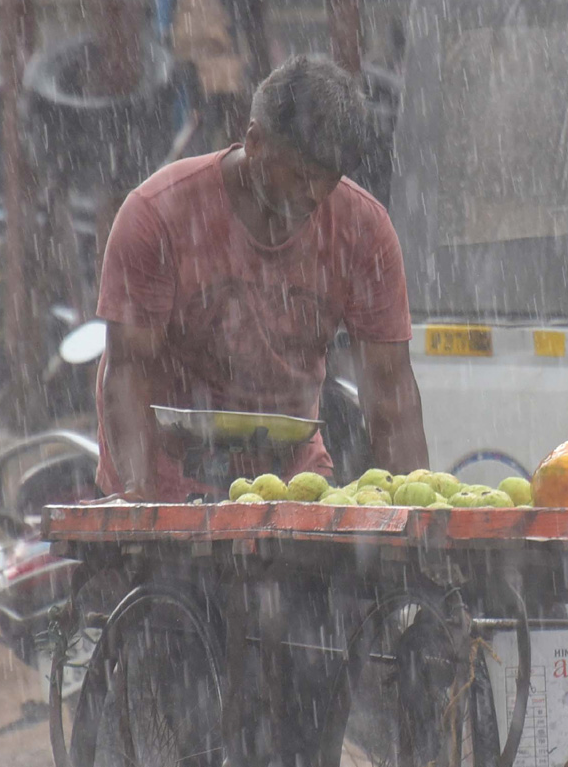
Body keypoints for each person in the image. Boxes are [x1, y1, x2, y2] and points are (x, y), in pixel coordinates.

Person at [94, 55, 428, 501]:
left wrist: (417, 509)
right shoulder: (156, 215)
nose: (312, 195)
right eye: (300, 174)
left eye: (327, 180)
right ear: (254, 141)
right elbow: (127, 371)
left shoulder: (364, 230)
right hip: (169, 478)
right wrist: (140, 503)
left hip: (291, 483)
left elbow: (390, 390)